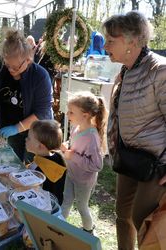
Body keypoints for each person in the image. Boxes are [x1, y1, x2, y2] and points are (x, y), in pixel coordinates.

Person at [103, 11, 166, 249]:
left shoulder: (159, 70)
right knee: (123, 215)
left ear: (132, 40)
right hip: (129, 158)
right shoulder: (126, 70)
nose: (105, 44)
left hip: (156, 163)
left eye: (111, 39)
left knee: (143, 219)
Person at [0, 28, 53, 163]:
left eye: (16, 67)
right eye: (8, 66)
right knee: (11, 163)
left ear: (28, 60)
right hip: (8, 128)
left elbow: (42, 112)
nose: (11, 70)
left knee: (31, 167)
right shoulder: (0, 69)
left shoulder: (40, 76)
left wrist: (17, 128)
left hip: (36, 133)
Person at [61, 92, 107, 234]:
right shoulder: (76, 128)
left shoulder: (92, 138)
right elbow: (74, 144)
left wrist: (72, 156)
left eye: (71, 112)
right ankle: (58, 226)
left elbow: (97, 165)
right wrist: (66, 145)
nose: (67, 114)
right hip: (71, 174)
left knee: (82, 207)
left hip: (83, 181)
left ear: (85, 115)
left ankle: (88, 230)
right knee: (66, 201)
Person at [25, 120, 66, 205]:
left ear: (40, 146)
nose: (26, 139)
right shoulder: (54, 157)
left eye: (29, 138)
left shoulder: (41, 171)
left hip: (44, 208)